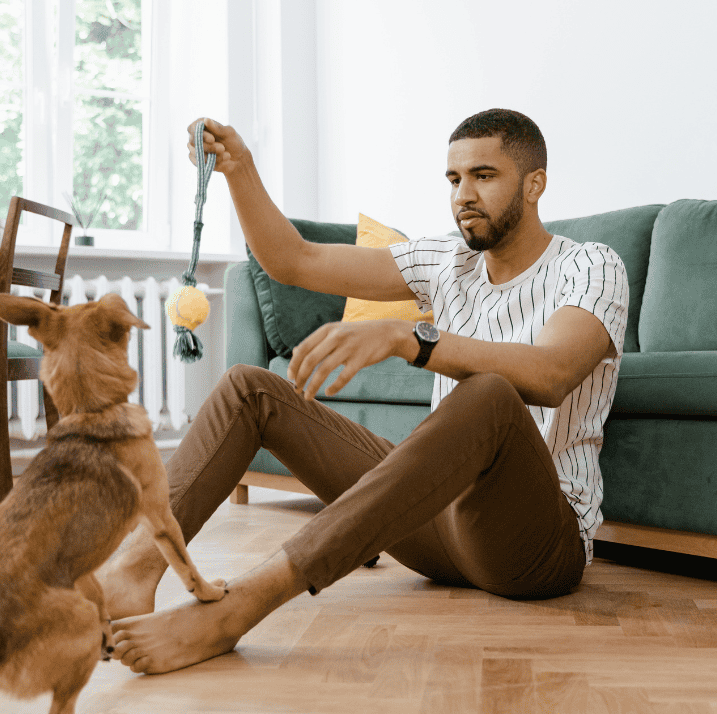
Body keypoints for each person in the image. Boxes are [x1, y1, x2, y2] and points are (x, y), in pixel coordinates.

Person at [102, 108, 629, 674]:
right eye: (454, 180)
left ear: (534, 184)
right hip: (438, 536)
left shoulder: (591, 265)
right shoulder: (447, 262)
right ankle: (134, 570)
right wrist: (241, 170)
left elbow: (550, 375)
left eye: (484, 175)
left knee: (489, 396)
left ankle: (242, 605)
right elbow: (292, 260)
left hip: (534, 549)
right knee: (249, 389)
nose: (464, 195)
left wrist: (409, 337)